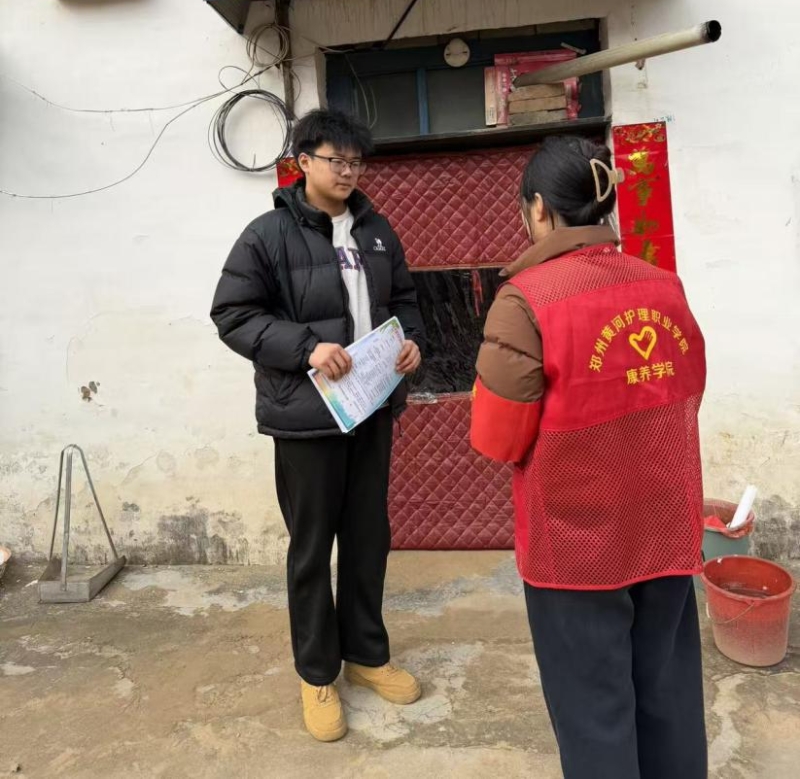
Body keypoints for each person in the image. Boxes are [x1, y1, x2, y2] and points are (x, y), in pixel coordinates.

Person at [470, 135, 707, 779]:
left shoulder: (525, 301)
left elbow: (498, 438)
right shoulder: (664, 285)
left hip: (576, 548)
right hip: (665, 528)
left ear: (538, 210)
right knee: (669, 699)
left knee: (595, 713)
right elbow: (689, 389)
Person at [211, 108, 425, 742]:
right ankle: (317, 673)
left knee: (367, 538)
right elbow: (233, 315)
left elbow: (405, 301)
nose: (348, 172)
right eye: (336, 161)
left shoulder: (377, 231)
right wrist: (306, 348)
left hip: (371, 407)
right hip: (307, 419)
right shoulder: (267, 235)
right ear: (303, 161)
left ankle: (366, 655)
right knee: (311, 549)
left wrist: (412, 342)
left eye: (356, 162)